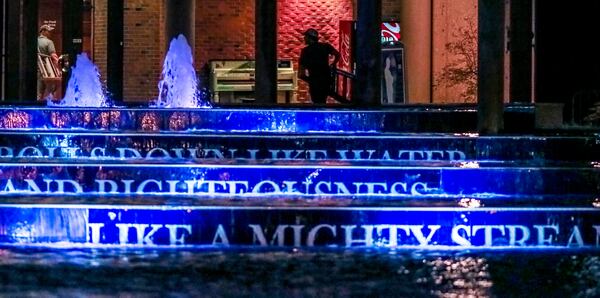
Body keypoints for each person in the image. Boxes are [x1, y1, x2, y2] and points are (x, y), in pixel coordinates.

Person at [299, 28, 350, 104]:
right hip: (326, 80)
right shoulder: (325, 46)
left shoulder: (305, 51)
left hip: (315, 81)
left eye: (305, 36)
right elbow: (337, 54)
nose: (304, 38)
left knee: (316, 102)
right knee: (323, 101)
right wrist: (333, 64)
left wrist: (312, 81)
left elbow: (301, 74)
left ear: (309, 38)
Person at [37, 24, 60, 100]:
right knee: (51, 90)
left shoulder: (36, 41)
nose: (50, 33)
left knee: (39, 93)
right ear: (43, 31)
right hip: (47, 70)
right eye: (48, 31)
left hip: (38, 69)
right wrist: (59, 66)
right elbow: (53, 56)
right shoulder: (49, 42)